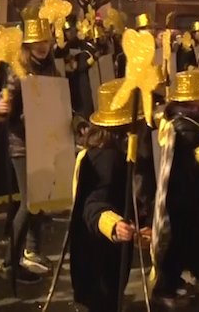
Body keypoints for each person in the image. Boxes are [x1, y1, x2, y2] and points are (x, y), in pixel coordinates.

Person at [0, 18, 60, 283]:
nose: (41, 46)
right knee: (29, 202)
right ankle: (11, 259)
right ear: (27, 44)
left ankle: (32, 249)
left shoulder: (51, 67)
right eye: (36, 42)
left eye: (45, 41)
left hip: (45, 142)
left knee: (41, 198)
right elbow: (4, 105)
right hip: (22, 144)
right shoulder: (17, 70)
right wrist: (2, 109)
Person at [151, 70, 199, 308]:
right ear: (193, 99)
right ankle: (165, 289)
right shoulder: (184, 127)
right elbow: (188, 165)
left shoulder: (184, 121)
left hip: (187, 198)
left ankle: (174, 281)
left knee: (183, 243)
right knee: (176, 244)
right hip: (184, 199)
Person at [69, 79, 143, 311]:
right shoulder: (106, 159)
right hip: (99, 251)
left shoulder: (113, 152)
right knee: (105, 301)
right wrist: (114, 224)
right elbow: (92, 204)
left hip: (108, 248)